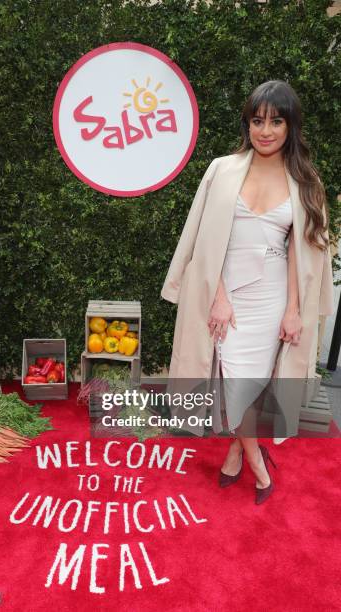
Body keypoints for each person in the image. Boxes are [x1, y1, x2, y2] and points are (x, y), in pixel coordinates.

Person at [161, 80, 334, 504]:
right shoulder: (222, 169)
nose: (266, 130)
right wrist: (217, 295)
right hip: (227, 295)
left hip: (272, 298)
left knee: (250, 384)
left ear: (291, 126)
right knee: (232, 379)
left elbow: (302, 253)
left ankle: (238, 453)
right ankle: (259, 464)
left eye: (276, 121)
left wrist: (294, 310)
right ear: (248, 124)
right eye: (258, 120)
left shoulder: (305, 181)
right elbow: (205, 239)